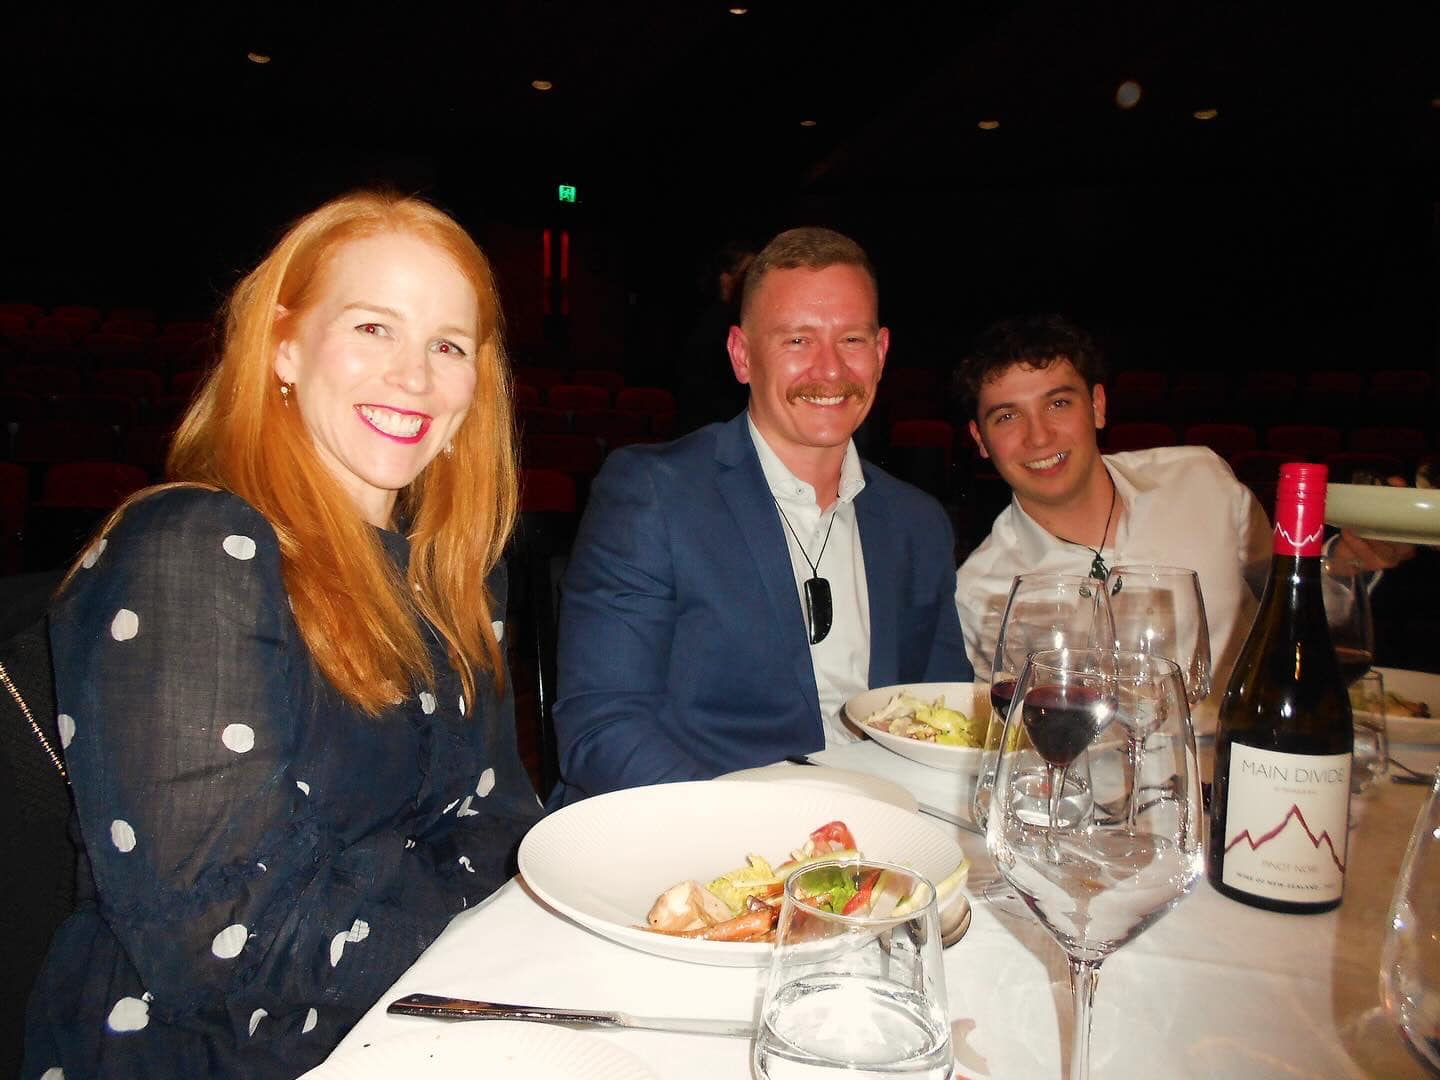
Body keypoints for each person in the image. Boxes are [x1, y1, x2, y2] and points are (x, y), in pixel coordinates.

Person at [24, 192, 541, 1078]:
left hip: (417, 1022)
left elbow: (499, 833)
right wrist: (498, 949)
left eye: (448, 346)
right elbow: (229, 946)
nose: (414, 377)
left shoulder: (455, 579)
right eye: (373, 328)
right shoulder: (191, 550)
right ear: (284, 348)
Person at [552, 227, 972, 805]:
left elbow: (944, 718)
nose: (830, 370)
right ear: (742, 356)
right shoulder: (653, 495)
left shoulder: (918, 524)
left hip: (882, 822)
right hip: (704, 824)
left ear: (880, 354)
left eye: (851, 340)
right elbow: (602, 730)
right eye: (798, 340)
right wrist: (758, 828)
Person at [953, 315, 1272, 701]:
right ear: (980, 439)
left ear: (1097, 406)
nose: (1038, 437)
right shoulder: (981, 595)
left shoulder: (1202, 483)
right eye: (1007, 416)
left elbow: (1299, 596)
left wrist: (1336, 568)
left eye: (1058, 403)